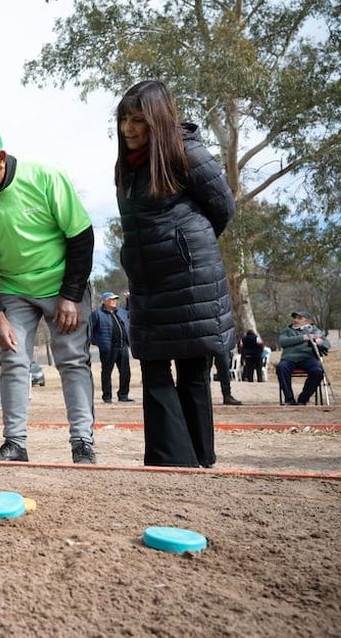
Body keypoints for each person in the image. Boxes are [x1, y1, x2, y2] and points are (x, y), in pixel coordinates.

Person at [0, 120, 97, 464]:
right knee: (13, 359)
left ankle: (83, 442)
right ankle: (14, 443)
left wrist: (72, 294)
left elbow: (81, 237)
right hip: (14, 287)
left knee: (72, 359)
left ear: (0, 157)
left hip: (62, 283)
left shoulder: (45, 178)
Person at [115, 80, 236, 468]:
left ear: (159, 120)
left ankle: (199, 457)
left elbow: (223, 208)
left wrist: (185, 245)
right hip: (147, 282)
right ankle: (172, 461)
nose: (128, 128)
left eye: (138, 120)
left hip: (189, 278)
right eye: (124, 119)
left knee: (193, 369)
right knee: (153, 368)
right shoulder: (127, 166)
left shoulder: (188, 153)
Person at [276, 311, 330, 405]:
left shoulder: (314, 330)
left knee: (317, 371)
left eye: (299, 318)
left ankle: (303, 398)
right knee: (281, 367)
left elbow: (327, 344)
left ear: (307, 321)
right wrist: (303, 338)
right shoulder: (287, 330)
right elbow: (283, 342)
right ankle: (289, 399)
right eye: (295, 318)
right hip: (289, 358)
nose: (295, 320)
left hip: (308, 358)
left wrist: (320, 342)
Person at [89, 291, 132, 404]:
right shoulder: (97, 314)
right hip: (108, 348)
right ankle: (107, 397)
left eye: (115, 299)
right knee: (107, 373)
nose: (114, 301)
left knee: (125, 372)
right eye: (111, 299)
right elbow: (90, 330)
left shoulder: (121, 312)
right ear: (104, 301)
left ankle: (123, 396)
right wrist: (96, 342)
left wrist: (129, 300)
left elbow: (130, 313)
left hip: (123, 346)